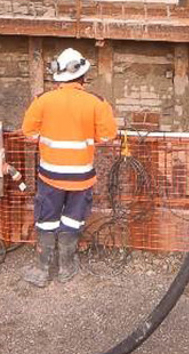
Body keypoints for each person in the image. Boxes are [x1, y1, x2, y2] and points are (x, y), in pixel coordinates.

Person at [20, 47, 118, 287]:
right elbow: (108, 136)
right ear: (83, 76)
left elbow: (28, 132)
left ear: (58, 75)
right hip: (81, 176)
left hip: (50, 176)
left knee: (46, 220)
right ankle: (66, 268)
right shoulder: (97, 103)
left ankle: (43, 270)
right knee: (73, 220)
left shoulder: (43, 101)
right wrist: (86, 138)